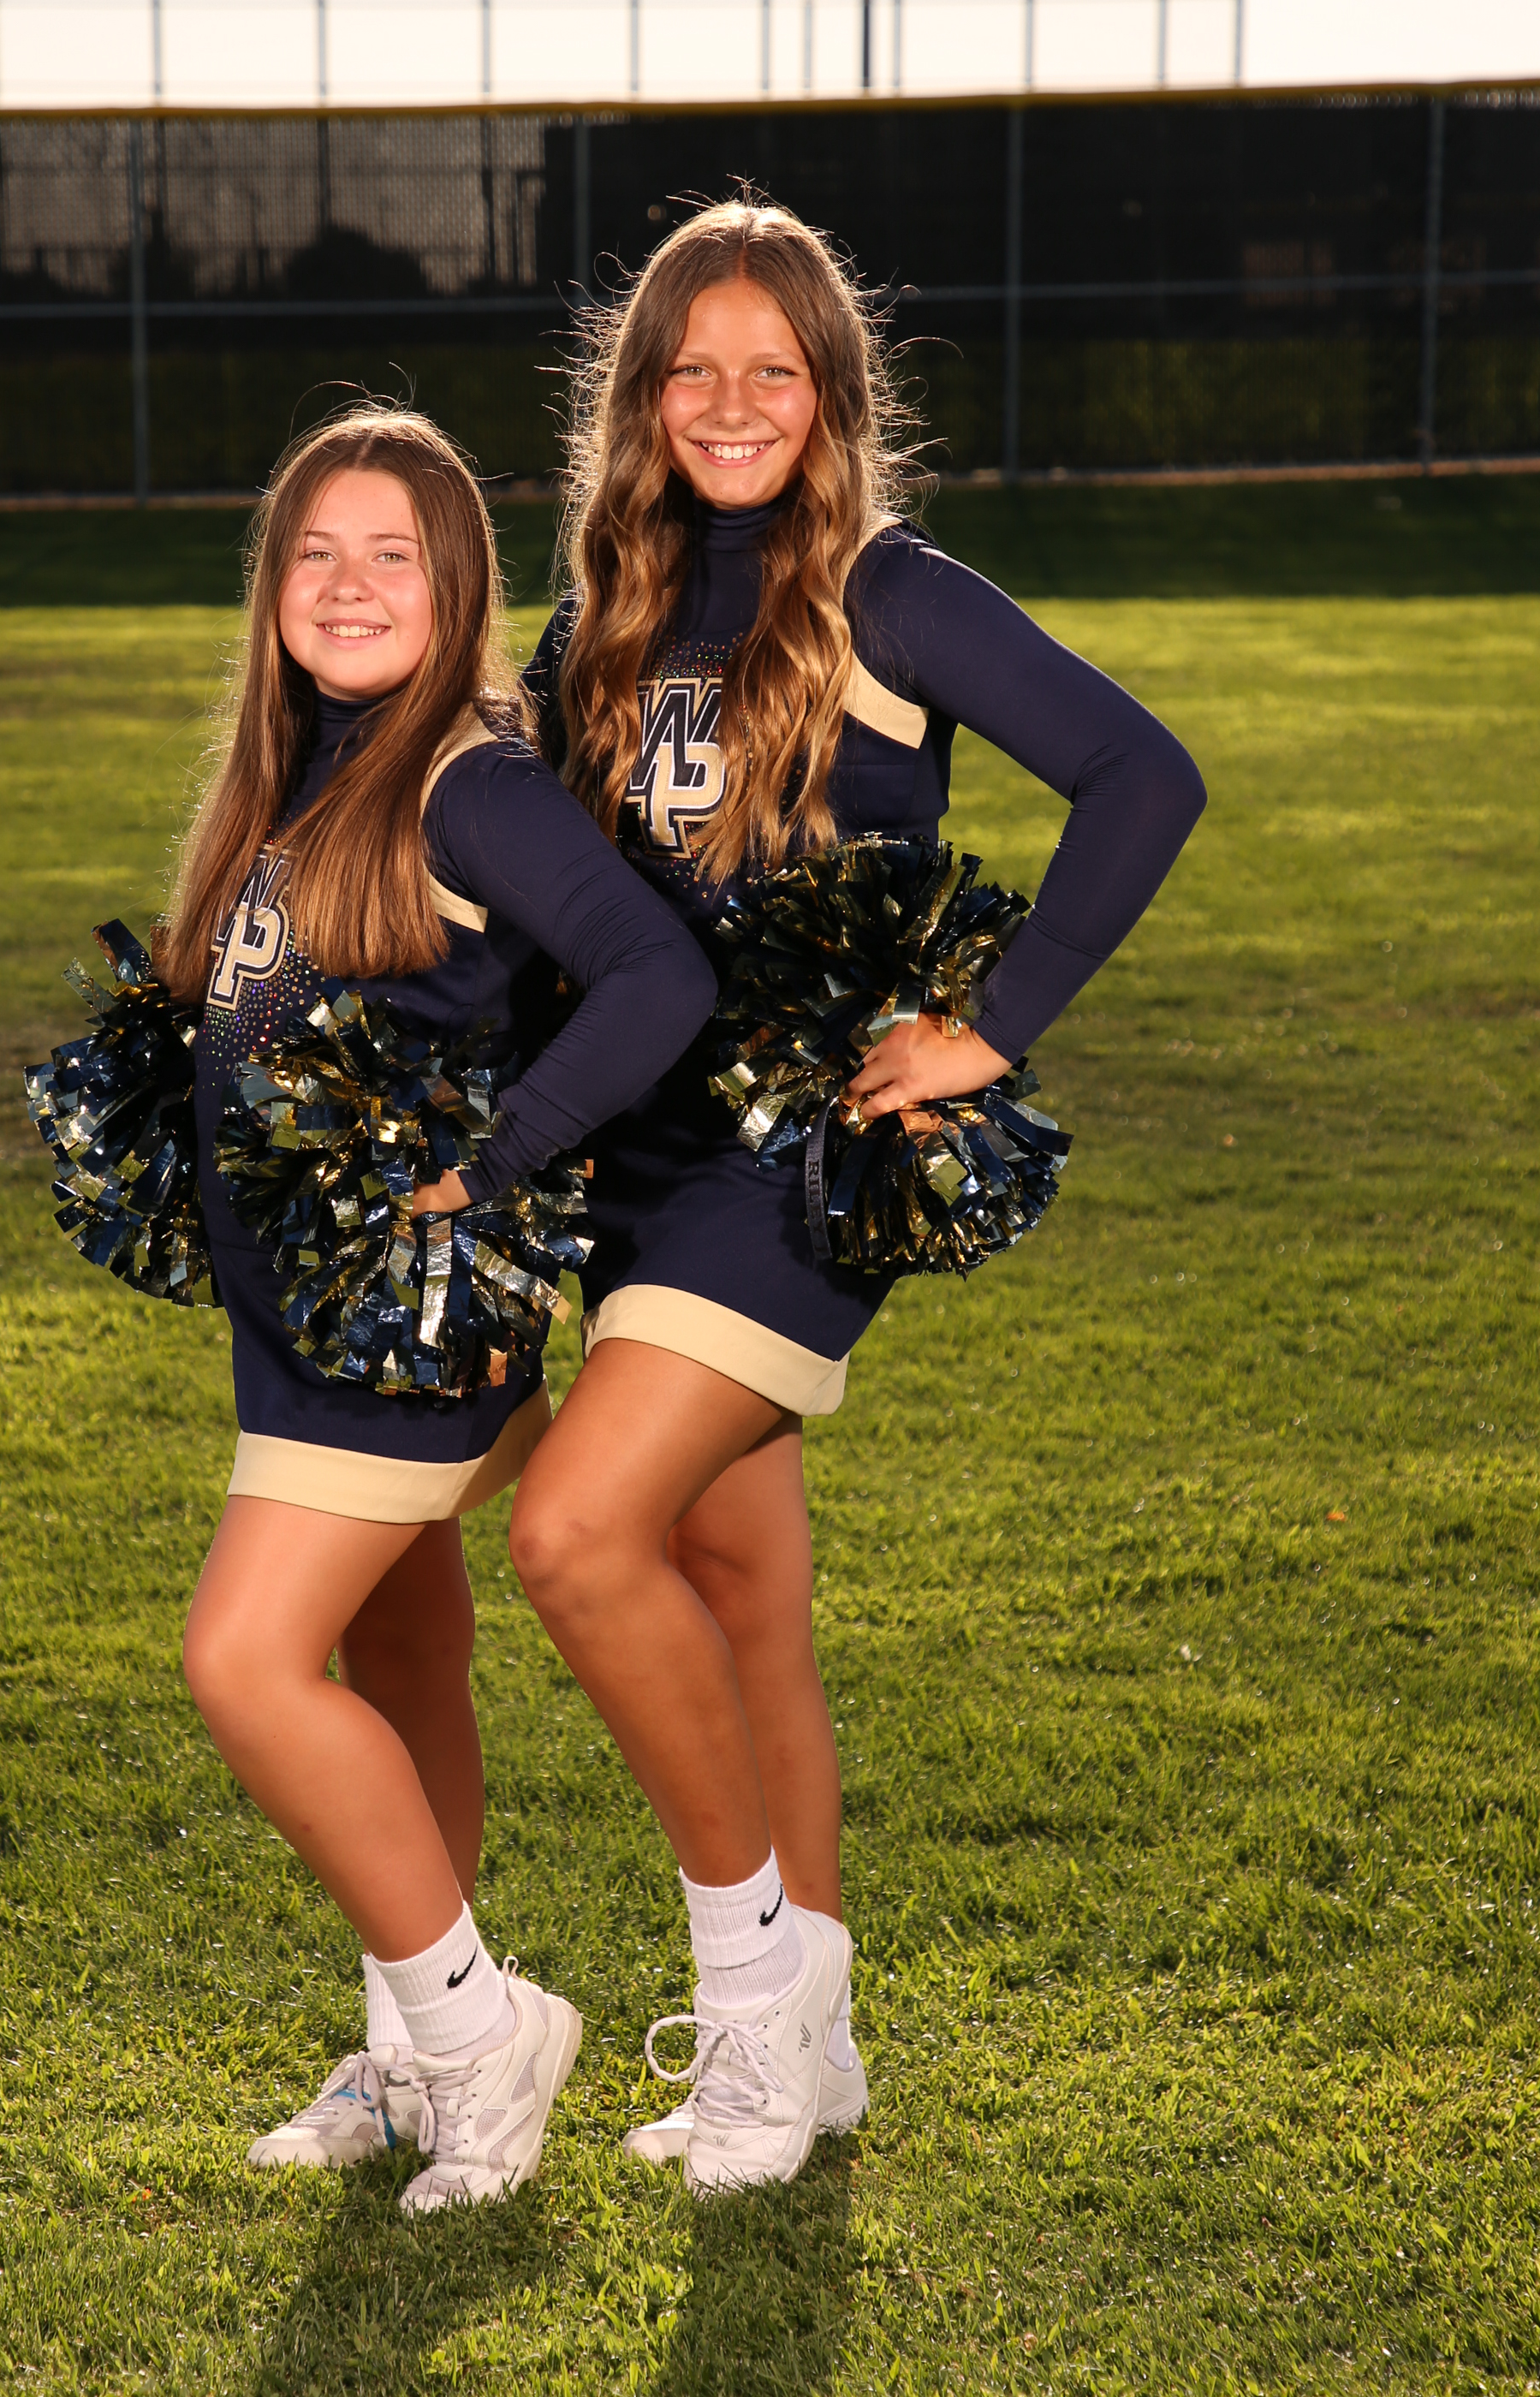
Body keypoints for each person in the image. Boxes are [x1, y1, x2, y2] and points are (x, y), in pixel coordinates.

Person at [510, 199, 1207, 2193]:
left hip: (796, 1165)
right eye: (692, 368)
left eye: (772, 369)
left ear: (830, 394)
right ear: (643, 396)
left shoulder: (891, 592)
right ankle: (812, 2061)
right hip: (634, 1166)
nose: (730, 403)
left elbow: (1141, 774)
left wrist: (995, 1026)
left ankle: (754, 2005)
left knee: (572, 1531)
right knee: (737, 1596)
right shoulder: (601, 616)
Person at [161, 407, 716, 2213]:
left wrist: (501, 1156)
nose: (348, 585)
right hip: (299, 1332)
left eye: (390, 554)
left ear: (455, 584)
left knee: (246, 1660)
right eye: (315, 551)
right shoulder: (294, 771)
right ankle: (409, 2056)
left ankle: (484, 2037)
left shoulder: (465, 781)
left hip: (396, 1339)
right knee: (401, 1655)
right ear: (272, 585)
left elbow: (654, 971)